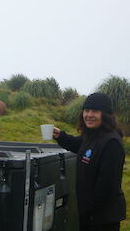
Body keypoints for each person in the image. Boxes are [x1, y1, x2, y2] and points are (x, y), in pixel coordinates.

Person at [53, 93, 126, 231]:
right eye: (87, 110)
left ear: (105, 115)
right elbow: (78, 145)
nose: (89, 115)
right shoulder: (92, 135)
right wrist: (60, 136)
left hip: (102, 219)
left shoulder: (111, 143)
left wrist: (87, 211)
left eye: (95, 111)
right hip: (90, 215)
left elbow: (106, 186)